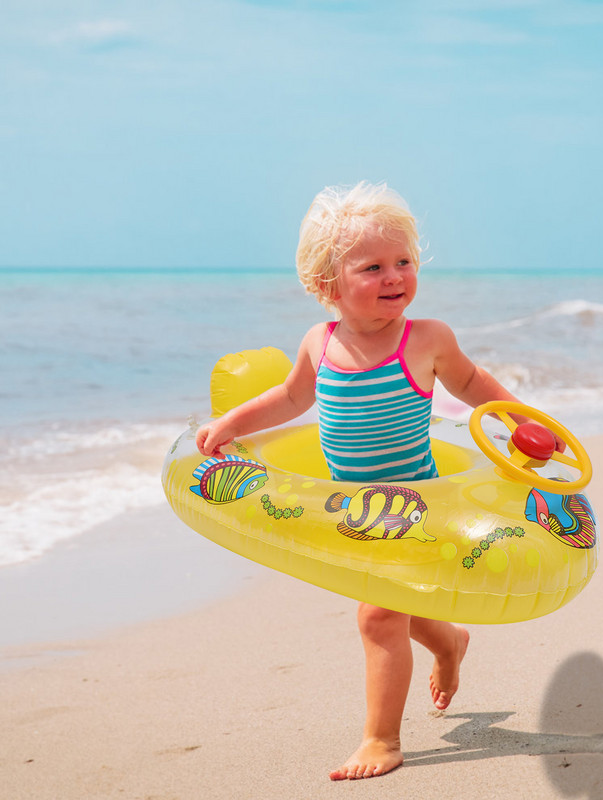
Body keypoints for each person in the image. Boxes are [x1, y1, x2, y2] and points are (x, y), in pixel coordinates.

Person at [196, 181, 555, 780]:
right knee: (402, 609)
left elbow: (475, 386)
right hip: (352, 511)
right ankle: (448, 643)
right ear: (325, 285)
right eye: (373, 267)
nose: (395, 276)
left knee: (377, 617)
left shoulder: (427, 339)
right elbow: (289, 398)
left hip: (416, 507)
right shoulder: (321, 343)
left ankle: (382, 740)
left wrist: (524, 425)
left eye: (404, 262)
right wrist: (229, 423)